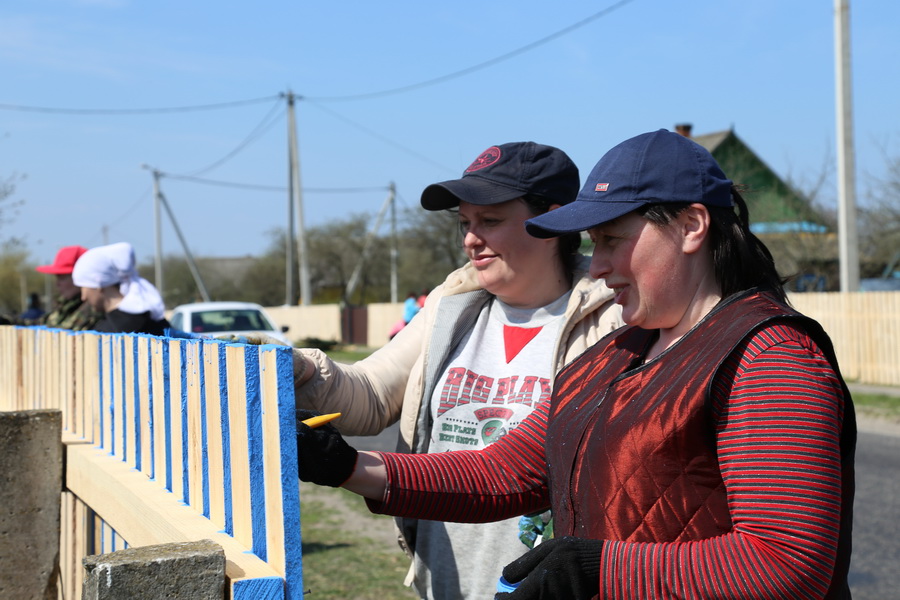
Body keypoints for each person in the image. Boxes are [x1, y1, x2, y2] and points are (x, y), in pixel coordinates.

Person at [296, 130, 856, 600]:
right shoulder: (618, 351)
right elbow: (501, 472)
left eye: (613, 240)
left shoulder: (769, 355)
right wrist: (345, 465)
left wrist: (595, 568)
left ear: (691, 226)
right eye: (595, 242)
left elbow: (787, 562)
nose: (601, 265)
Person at [290, 141, 623, 599]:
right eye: (465, 223)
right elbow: (369, 394)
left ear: (552, 220)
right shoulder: (451, 305)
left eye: (490, 221)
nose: (470, 238)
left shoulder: (613, 316)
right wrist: (300, 370)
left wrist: (352, 468)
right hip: (445, 579)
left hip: (553, 585)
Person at [71, 242, 171, 335]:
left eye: (83, 288)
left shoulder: (114, 329)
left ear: (98, 285)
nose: (83, 297)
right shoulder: (148, 317)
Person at [33, 244, 103, 330]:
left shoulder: (94, 310)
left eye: (62, 277)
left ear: (80, 277)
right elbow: (41, 323)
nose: (57, 283)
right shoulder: (65, 307)